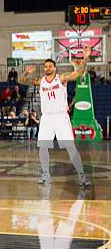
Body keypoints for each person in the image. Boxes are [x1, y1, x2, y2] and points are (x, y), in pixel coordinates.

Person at [18, 48, 91, 186]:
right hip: (46, 118)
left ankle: (82, 176)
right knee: (43, 147)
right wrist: (26, 72)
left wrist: (85, 58)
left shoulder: (61, 78)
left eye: (50, 66)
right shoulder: (40, 81)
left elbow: (80, 72)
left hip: (60, 117)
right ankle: (45, 175)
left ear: (55, 68)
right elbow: (21, 81)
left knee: (70, 147)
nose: (47, 68)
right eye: (45, 66)